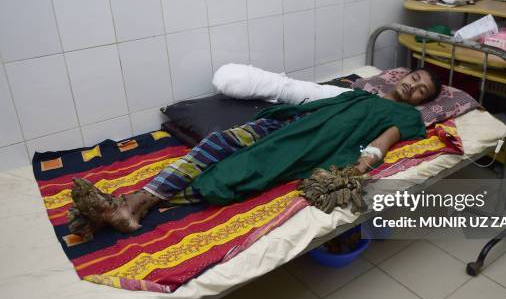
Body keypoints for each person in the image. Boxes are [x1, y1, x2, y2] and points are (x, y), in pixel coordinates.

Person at [69, 67, 441, 239]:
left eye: (422, 89)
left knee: (232, 174)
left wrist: (364, 163)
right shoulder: (361, 91)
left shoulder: (404, 115)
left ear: (422, 100)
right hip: (287, 123)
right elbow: (315, 100)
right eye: (414, 77)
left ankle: (129, 205)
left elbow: (385, 140)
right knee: (216, 143)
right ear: (400, 75)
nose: (413, 86)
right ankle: (128, 207)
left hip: (309, 146)